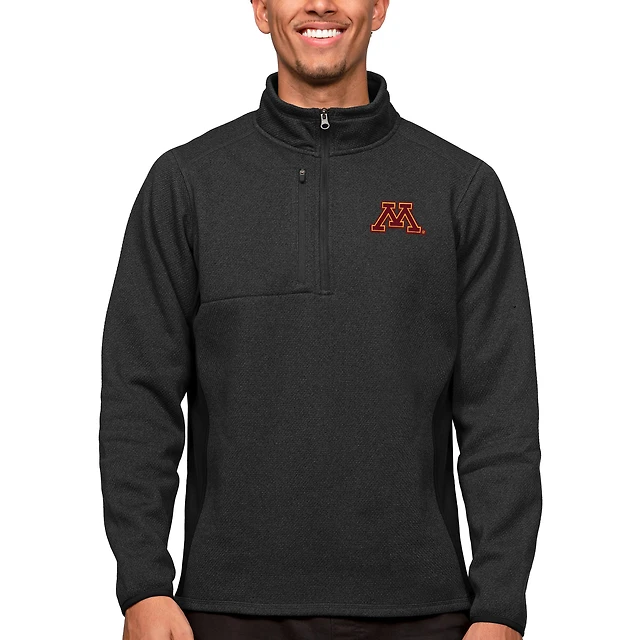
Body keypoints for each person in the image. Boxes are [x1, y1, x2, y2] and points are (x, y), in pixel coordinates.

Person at [98, 1, 543, 639]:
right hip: (226, 612)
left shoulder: (460, 189)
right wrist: (142, 584)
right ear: (260, 10)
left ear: (380, 7)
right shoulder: (186, 184)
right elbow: (138, 396)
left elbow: (501, 415)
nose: (320, 3)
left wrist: (500, 606)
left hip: (425, 614)